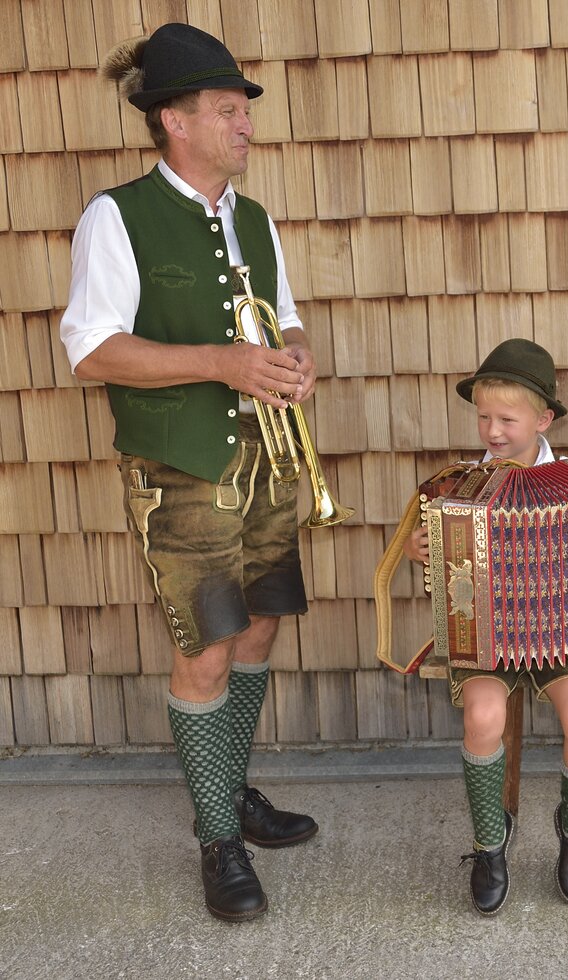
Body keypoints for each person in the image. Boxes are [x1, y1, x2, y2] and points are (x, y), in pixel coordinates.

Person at [59, 23, 321, 920]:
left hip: (266, 453)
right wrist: (224, 363)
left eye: (243, 107)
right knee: (206, 644)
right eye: (224, 108)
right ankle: (217, 837)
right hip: (182, 467)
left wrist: (292, 355)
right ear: (172, 120)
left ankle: (231, 790)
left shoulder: (253, 215)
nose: (243, 122)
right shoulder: (117, 215)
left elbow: (281, 317)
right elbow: (92, 350)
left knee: (258, 629)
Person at [401, 338, 568, 915]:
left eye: (506, 418)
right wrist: (421, 549)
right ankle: (489, 845)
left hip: (564, 636)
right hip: (488, 639)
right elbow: (434, 565)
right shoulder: (456, 491)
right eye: (483, 417)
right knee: (483, 715)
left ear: (543, 419)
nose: (492, 430)